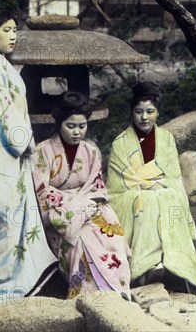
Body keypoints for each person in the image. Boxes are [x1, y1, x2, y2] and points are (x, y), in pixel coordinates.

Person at [0, 8, 57, 301]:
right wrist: (25, 142)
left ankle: (8, 281)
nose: (13, 36)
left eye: (15, 30)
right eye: (6, 30)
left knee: (3, 221)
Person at [32, 92, 131, 299]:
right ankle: (86, 294)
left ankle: (117, 289)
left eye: (82, 126)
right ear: (59, 123)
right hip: (60, 215)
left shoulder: (91, 151)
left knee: (111, 233)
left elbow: (97, 187)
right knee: (81, 240)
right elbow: (41, 190)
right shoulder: (43, 151)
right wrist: (73, 204)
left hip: (89, 205)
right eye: (71, 126)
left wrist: (84, 205)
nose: (77, 132)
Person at [107, 81, 196, 287]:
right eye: (138, 111)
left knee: (170, 198)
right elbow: (119, 184)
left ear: (157, 113)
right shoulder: (120, 143)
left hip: (162, 190)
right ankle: (144, 266)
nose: (144, 117)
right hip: (132, 195)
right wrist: (151, 185)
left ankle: (175, 266)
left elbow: (173, 176)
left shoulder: (166, 139)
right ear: (132, 113)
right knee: (148, 202)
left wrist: (161, 185)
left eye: (150, 111)